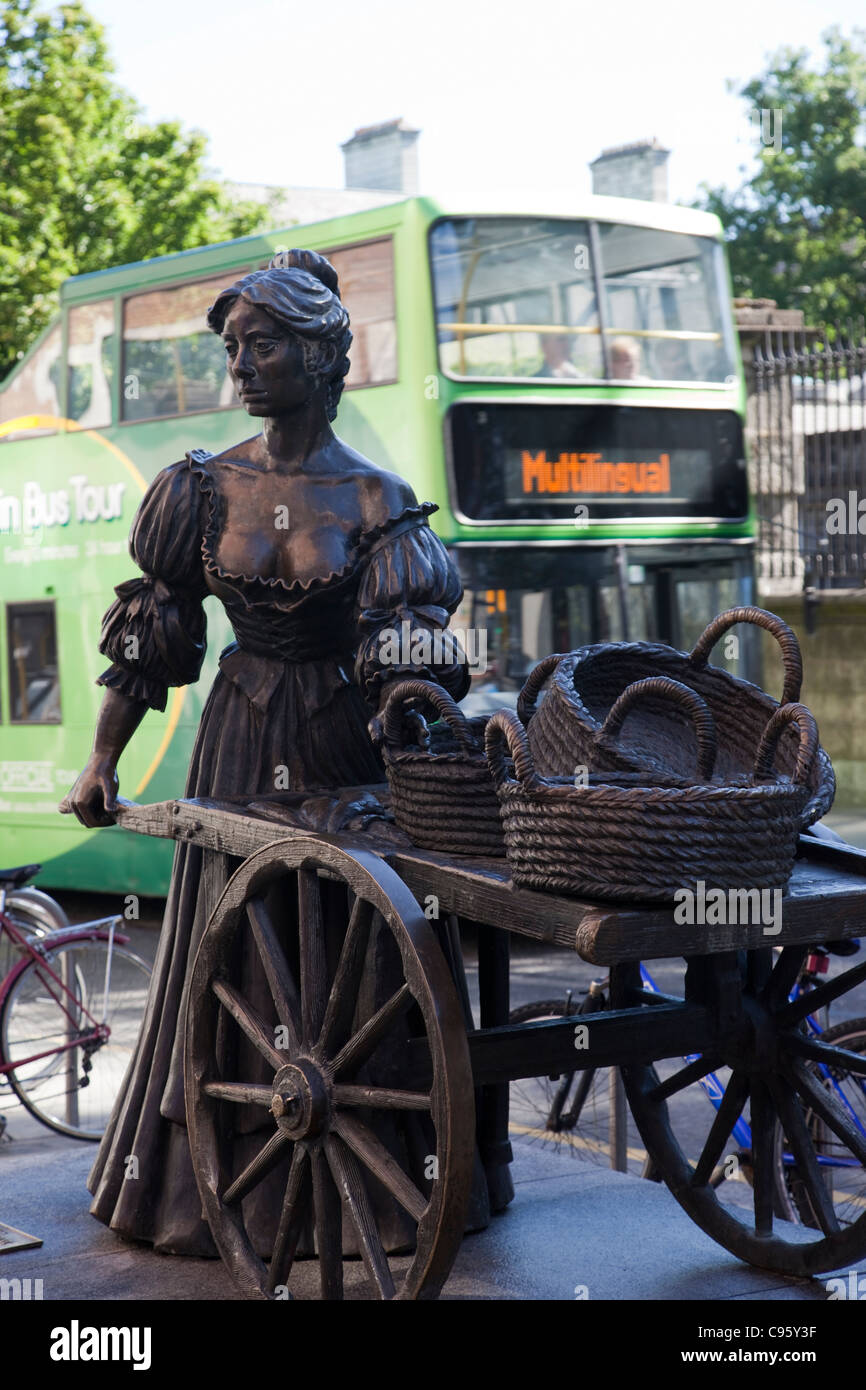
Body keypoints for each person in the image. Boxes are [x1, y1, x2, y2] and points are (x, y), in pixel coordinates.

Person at [59, 248, 482, 1256]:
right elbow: (150, 642)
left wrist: (407, 712)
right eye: (232, 347)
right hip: (240, 743)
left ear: (320, 355)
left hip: (346, 753)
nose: (241, 365)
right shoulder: (199, 490)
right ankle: (214, 1184)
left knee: (349, 961)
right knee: (231, 957)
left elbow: (407, 651)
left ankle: (369, 1184)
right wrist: (101, 760)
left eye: (264, 345)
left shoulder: (379, 501)